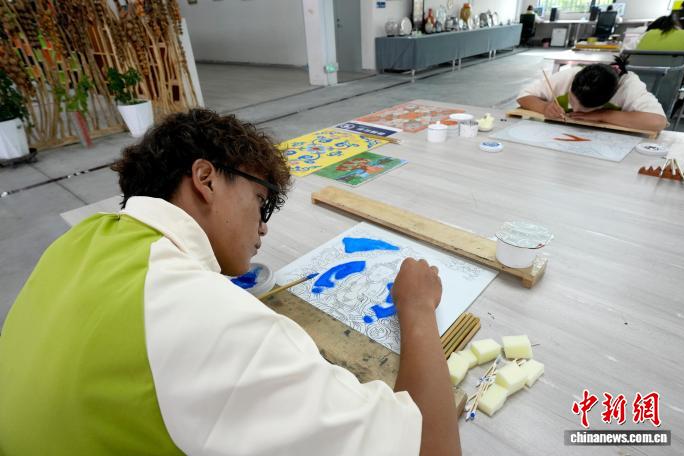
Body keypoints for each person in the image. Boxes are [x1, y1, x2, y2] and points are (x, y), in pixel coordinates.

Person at [0, 109, 461, 455]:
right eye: (261, 202)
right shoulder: (204, 316)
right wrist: (417, 308)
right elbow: (430, 447)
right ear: (205, 179)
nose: (264, 228)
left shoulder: (80, 238)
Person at [517, 56, 668, 132]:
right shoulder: (570, 75)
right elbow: (524, 95)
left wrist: (603, 115)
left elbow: (658, 122)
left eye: (586, 110)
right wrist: (544, 107)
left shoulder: (628, 86)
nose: (575, 110)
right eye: (572, 101)